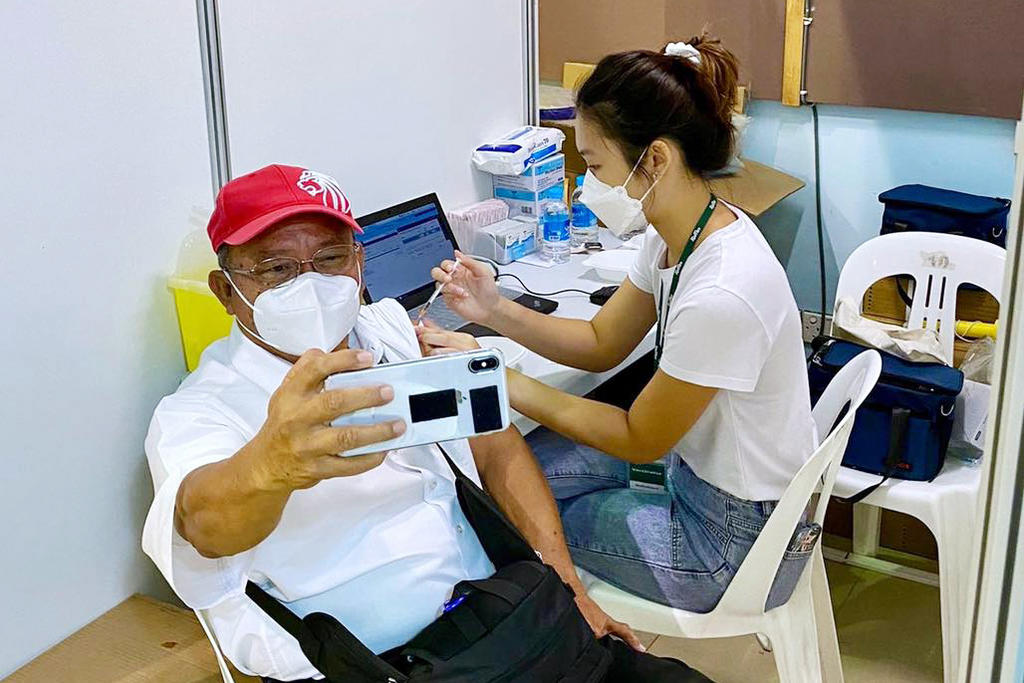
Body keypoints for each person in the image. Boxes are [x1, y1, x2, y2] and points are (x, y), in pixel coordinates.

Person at [141, 164, 708, 682]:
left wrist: (567, 586)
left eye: (330, 258)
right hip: (371, 664)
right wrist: (270, 467)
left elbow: (495, 444)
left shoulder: (389, 331)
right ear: (225, 291)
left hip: (508, 617)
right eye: (277, 268)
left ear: (359, 263)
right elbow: (203, 523)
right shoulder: (202, 409)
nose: (310, 284)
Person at [420, 35, 815, 614]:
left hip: (733, 543)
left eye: (596, 165)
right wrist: (494, 309)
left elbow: (638, 437)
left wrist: (493, 377)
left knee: (506, 510)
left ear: (655, 160)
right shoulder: (680, 233)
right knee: (510, 470)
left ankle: (548, 639)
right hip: (701, 480)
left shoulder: (723, 290)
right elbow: (602, 342)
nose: (587, 186)